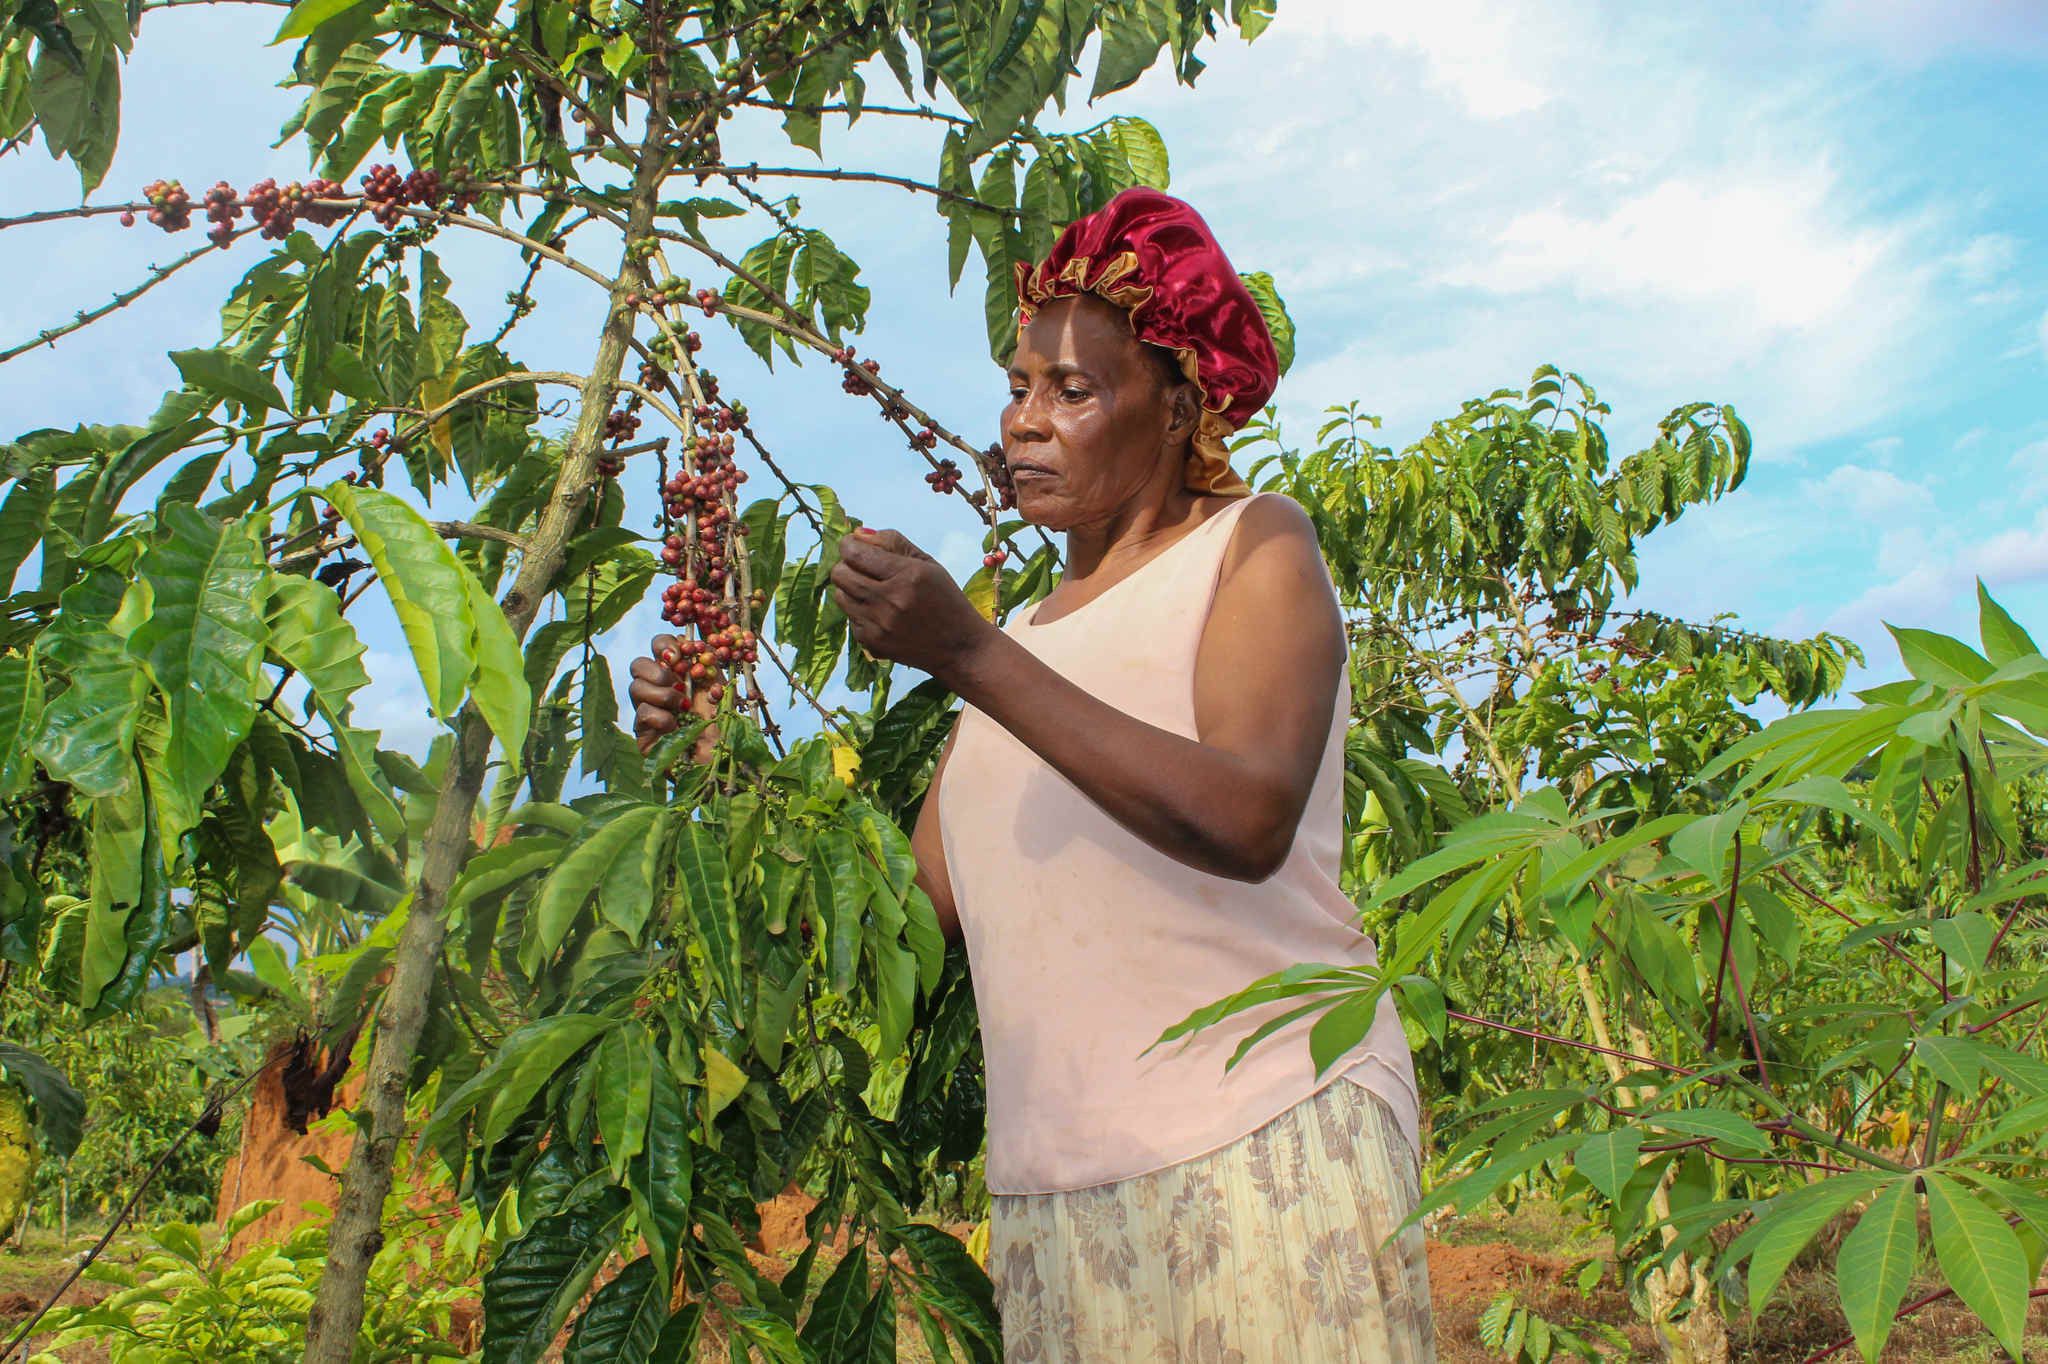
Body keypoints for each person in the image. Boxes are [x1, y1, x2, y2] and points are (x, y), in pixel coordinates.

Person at [630, 188, 1434, 1363]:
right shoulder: (1028, 638)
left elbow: (1249, 812)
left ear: (1174, 408)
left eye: (1071, 390)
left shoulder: (1251, 543)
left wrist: (966, 652)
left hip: (1260, 1135)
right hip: (1057, 1191)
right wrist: (710, 762)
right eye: (1016, 386)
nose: (1022, 422)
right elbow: (909, 920)